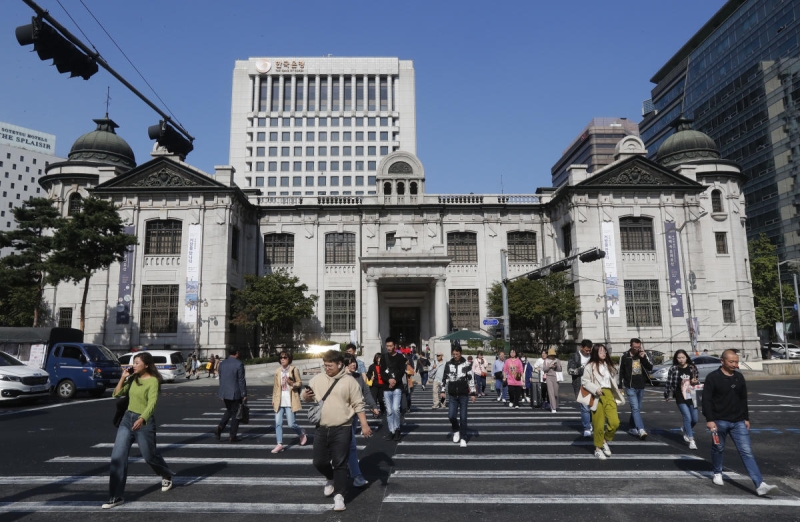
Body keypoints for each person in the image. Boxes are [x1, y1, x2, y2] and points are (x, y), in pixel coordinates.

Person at [302, 350, 372, 512]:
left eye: (330, 365)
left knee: (340, 462)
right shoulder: (318, 379)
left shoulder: (349, 382)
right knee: (318, 461)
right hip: (321, 427)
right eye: (325, 365)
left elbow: (358, 404)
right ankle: (330, 477)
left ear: (340, 364)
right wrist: (306, 395)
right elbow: (306, 397)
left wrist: (364, 424)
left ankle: (339, 495)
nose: (326, 368)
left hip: (343, 428)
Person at [103, 352, 174, 509]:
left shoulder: (153, 381)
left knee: (149, 456)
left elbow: (152, 403)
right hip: (127, 419)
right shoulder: (133, 378)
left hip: (144, 422)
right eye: (133, 363)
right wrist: (123, 377)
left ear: (146, 365)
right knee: (118, 457)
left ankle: (165, 473)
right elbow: (117, 394)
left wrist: (142, 419)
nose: (133, 365)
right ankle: (116, 496)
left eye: (136, 363)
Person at [702, 349, 778, 496]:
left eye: (736, 361)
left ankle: (760, 484)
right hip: (719, 421)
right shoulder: (713, 377)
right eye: (731, 361)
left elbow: (743, 399)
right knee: (718, 448)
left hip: (738, 421)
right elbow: (706, 400)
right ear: (722, 361)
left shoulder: (738, 377)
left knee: (747, 452)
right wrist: (710, 420)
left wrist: (746, 418)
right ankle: (717, 472)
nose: (735, 364)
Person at [343, 354, 380, 488]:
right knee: (341, 447)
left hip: (353, 417)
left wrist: (374, 406)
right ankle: (337, 473)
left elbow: (366, 393)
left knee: (351, 446)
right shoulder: (339, 378)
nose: (353, 365)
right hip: (339, 417)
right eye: (350, 362)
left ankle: (356, 475)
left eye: (354, 362)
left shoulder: (358, 377)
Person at [581, 344, 624, 460]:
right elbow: (584, 381)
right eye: (601, 351)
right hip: (596, 395)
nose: (604, 353)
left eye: (605, 351)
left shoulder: (608, 365)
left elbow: (613, 381)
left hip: (609, 395)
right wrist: (595, 389)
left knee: (615, 422)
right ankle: (598, 449)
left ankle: (604, 440)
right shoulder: (590, 366)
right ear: (595, 352)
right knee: (598, 425)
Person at [439, 345, 477, 448]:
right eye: (454, 354)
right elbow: (444, 379)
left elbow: (470, 379)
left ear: (460, 353)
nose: (455, 356)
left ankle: (463, 438)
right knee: (451, 416)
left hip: (463, 395)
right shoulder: (448, 364)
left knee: (463, 417)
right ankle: (456, 430)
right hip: (452, 395)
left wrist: (473, 393)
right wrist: (442, 392)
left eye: (457, 354)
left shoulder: (466, 364)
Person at [271, 350, 307, 453]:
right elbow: (276, 386)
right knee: (278, 423)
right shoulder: (278, 371)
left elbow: (299, 383)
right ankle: (279, 444)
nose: (282, 359)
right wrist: (273, 399)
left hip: (290, 400)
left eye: (284, 358)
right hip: (279, 400)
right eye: (281, 358)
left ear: (289, 359)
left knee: (291, 424)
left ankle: (301, 433)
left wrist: (292, 384)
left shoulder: (293, 370)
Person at [664, 349, 699, 450]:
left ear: (686, 357)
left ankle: (685, 428)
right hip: (680, 395)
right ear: (676, 359)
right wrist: (667, 394)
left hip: (692, 395)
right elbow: (669, 382)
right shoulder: (674, 369)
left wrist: (694, 381)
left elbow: (697, 380)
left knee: (695, 419)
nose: (681, 360)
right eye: (679, 358)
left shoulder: (692, 367)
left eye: (683, 357)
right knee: (687, 417)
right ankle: (691, 439)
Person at [619, 338, 653, 440]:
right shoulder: (625, 356)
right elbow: (621, 371)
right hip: (630, 386)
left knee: (637, 408)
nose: (637, 349)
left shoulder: (642, 354)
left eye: (638, 347)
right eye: (635, 347)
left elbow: (650, 367)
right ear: (631, 346)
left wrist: (643, 358)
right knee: (635, 408)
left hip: (641, 385)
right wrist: (620, 385)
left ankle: (632, 426)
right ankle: (641, 429)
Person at [215, 347, 248, 443]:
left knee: (230, 410)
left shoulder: (222, 363)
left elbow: (221, 378)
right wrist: (244, 393)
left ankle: (220, 426)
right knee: (236, 414)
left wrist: (222, 392)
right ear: (237, 353)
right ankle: (232, 436)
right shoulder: (239, 364)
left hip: (225, 393)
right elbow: (241, 380)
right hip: (235, 393)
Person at [381, 336, 408, 441]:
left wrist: (394, 380)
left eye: (391, 346)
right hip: (386, 387)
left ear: (395, 346)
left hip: (397, 387)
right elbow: (382, 372)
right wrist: (389, 380)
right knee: (389, 411)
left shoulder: (400, 357)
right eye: (387, 346)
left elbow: (402, 371)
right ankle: (391, 430)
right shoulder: (384, 357)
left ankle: (397, 429)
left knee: (396, 409)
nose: (389, 347)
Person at [568, 339, 594, 437]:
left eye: (589, 350)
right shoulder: (575, 356)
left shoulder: (592, 356)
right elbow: (570, 370)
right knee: (584, 407)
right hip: (580, 385)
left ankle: (590, 422)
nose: (588, 352)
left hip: (592, 385)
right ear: (581, 348)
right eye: (586, 350)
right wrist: (583, 369)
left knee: (592, 406)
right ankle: (586, 427)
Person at [543, 347, 562, 413]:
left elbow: (560, 370)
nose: (552, 356)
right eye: (551, 355)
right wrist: (549, 366)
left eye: (553, 355)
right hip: (549, 377)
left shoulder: (558, 360)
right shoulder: (546, 361)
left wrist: (556, 366)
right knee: (551, 393)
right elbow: (544, 369)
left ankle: (556, 405)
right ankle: (553, 407)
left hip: (556, 377)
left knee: (556, 393)